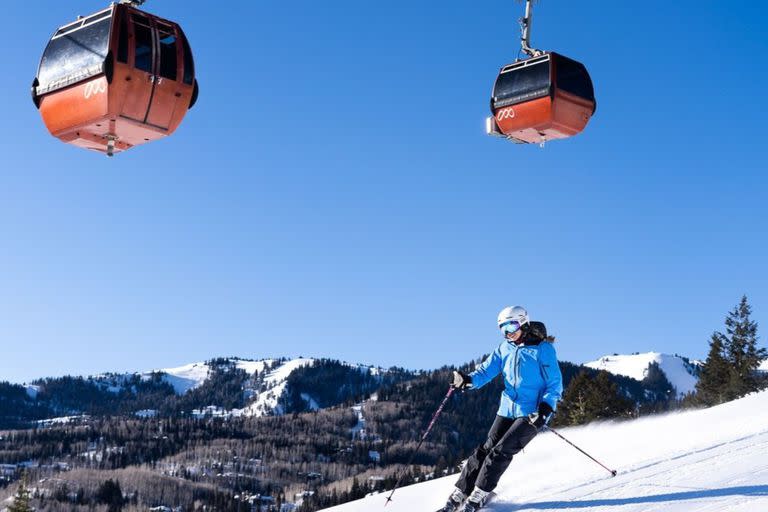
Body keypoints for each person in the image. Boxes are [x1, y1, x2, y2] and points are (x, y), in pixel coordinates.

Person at [440, 306, 563, 512]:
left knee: (500, 452)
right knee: (485, 449)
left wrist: (545, 408)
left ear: (523, 322)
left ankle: (480, 494)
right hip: (507, 409)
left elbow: (555, 384)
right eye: (503, 328)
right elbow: (485, 371)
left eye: (512, 325)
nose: (508, 332)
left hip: (532, 413)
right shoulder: (504, 348)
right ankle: (460, 493)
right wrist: (468, 381)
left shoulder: (543, 350)